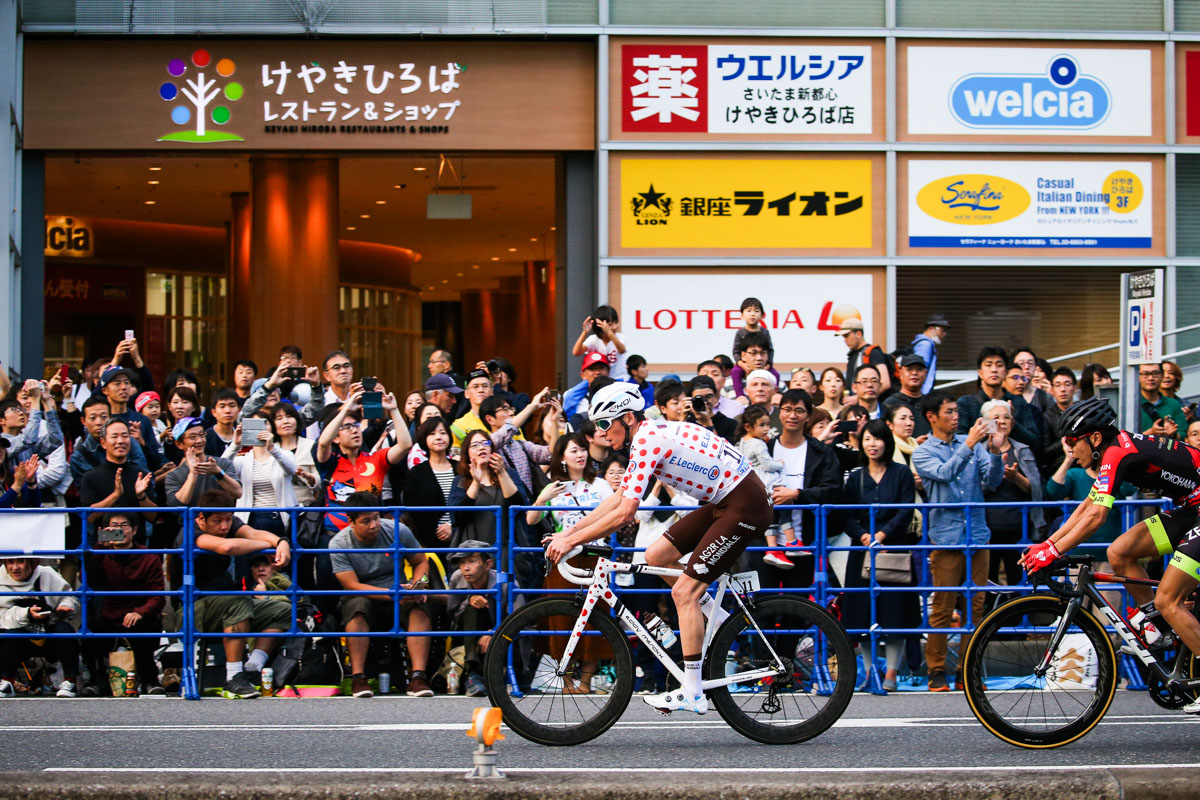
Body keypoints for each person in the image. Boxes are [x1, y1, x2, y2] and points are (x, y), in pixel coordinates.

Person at [545, 383, 773, 715]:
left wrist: (571, 541)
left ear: (627, 418)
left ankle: (693, 691)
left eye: (606, 424)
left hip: (744, 504)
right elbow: (616, 499)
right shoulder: (645, 437)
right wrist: (570, 532)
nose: (603, 434)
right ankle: (719, 618)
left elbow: (625, 513)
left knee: (684, 594)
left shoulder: (648, 440)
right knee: (656, 555)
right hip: (727, 501)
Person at [1022, 399, 1200, 715]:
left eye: (1072, 442)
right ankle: (1158, 626)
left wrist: (1053, 551)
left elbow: (1097, 518)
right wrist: (1047, 544)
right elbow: (1086, 507)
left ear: (1093, 439)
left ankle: (1161, 614)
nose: (1069, 450)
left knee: (1168, 600)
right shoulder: (1112, 450)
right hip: (1191, 508)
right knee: (1118, 552)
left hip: (1195, 510)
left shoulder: (1117, 452)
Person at [912, 391, 1002, 692]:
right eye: (949, 411)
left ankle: (969, 670)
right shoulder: (923, 452)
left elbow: (991, 481)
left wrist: (997, 451)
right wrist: (971, 444)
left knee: (976, 607)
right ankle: (936, 671)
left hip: (977, 534)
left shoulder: (972, 444)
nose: (956, 416)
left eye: (956, 411)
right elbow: (945, 474)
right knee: (942, 607)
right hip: (947, 537)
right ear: (932, 417)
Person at [185, 490, 292, 699]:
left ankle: (253, 666)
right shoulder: (189, 530)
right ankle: (233, 676)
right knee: (238, 600)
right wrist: (268, 546)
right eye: (217, 521)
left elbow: (253, 533)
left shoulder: (230, 522)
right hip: (193, 607)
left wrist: (280, 542)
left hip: (230, 604)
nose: (225, 526)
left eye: (228, 519)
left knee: (284, 610)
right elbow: (227, 547)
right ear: (201, 518)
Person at [330, 492, 435, 698]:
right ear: (350, 522)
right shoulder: (338, 544)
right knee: (357, 607)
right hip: (364, 595)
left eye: (376, 517)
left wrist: (419, 586)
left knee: (419, 606)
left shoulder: (398, 530)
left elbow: (421, 561)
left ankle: (418, 677)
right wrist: (392, 594)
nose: (374, 525)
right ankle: (358, 678)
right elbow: (351, 585)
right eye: (366, 521)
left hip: (399, 592)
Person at [839, 419, 918, 692]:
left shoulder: (901, 473)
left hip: (893, 547)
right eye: (867, 439)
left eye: (878, 438)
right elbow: (846, 513)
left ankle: (892, 674)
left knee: (895, 613)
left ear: (887, 441)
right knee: (862, 614)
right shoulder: (856, 476)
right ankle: (871, 673)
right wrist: (864, 536)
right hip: (862, 552)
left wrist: (881, 536)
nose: (873, 444)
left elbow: (905, 510)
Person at [84, 511, 166, 695]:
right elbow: (88, 579)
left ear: (135, 530)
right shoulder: (99, 553)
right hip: (107, 612)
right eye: (113, 527)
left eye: (123, 526)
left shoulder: (149, 556)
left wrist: (140, 612)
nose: (118, 531)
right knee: (88, 628)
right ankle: (97, 681)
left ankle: (149, 681)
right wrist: (99, 548)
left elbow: (158, 595)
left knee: (143, 628)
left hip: (138, 613)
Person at [315, 386, 410, 533]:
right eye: (347, 427)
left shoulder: (376, 459)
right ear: (335, 438)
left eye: (356, 425)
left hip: (371, 534)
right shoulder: (330, 462)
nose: (354, 430)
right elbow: (322, 443)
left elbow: (405, 445)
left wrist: (394, 410)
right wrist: (346, 409)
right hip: (334, 534)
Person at [980, 399, 1043, 591]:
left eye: (1006, 417)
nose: (1002, 421)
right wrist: (996, 468)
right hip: (987, 526)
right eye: (995, 417)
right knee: (988, 579)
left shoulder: (1022, 449)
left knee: (1018, 576)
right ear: (986, 423)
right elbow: (978, 487)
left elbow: (1035, 489)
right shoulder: (979, 450)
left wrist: (1016, 478)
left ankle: (1017, 618)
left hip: (1019, 525)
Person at [0, 557, 81, 697]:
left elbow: (70, 597)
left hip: (48, 633)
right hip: (17, 639)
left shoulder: (46, 574)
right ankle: (6, 681)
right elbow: (2, 618)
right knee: (9, 634)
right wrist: (27, 614)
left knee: (64, 629)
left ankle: (70, 682)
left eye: (20, 562)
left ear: (33, 563)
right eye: (10, 562)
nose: (15, 568)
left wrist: (65, 606)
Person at [222, 413, 298, 538]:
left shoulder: (284, 454)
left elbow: (291, 469)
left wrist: (272, 448)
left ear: (272, 428)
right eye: (253, 425)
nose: (259, 428)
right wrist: (235, 444)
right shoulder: (243, 460)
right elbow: (222, 468)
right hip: (250, 519)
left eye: (264, 423)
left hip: (279, 518)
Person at [446, 540, 507, 697]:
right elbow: (451, 614)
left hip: (500, 633)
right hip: (467, 634)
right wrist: (469, 599)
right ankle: (472, 673)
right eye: (462, 562)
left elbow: (518, 616)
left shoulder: (504, 582)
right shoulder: (457, 578)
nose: (466, 568)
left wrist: (493, 632)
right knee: (471, 608)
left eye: (472, 561)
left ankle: (498, 674)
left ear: (487, 564)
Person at [737, 406, 795, 569]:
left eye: (767, 424)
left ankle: (772, 549)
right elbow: (767, 465)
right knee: (785, 503)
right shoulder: (758, 444)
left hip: (751, 484)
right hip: (766, 481)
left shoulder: (743, 442)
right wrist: (780, 464)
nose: (766, 429)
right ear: (749, 426)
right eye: (762, 425)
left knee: (770, 515)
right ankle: (791, 542)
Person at [447, 429, 526, 546]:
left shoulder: (509, 474)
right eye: (475, 445)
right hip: (473, 548)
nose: (481, 447)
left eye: (486, 443)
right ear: (467, 453)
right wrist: (476, 482)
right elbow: (458, 517)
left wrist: (501, 473)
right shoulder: (461, 481)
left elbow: (519, 507)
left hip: (505, 546)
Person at [78, 419, 158, 531]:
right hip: (105, 541)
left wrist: (141, 497)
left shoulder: (141, 475)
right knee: (113, 542)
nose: (120, 441)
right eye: (114, 436)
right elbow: (88, 517)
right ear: (103, 443)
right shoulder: (91, 477)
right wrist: (115, 495)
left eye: (125, 436)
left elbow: (154, 517)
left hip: (136, 543)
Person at [955, 347, 1040, 448]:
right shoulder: (965, 403)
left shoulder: (1019, 403)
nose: (994, 370)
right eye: (988, 365)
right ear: (980, 373)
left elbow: (1035, 443)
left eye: (999, 365)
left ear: (1005, 372)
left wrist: (1012, 423)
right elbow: (957, 441)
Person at [401, 417, 459, 548]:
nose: (438, 437)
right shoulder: (417, 473)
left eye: (443, 433)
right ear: (424, 439)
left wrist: (452, 526)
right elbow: (413, 510)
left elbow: (468, 502)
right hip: (429, 540)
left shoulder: (460, 469)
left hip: (461, 536)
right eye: (432, 434)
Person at [164, 417, 243, 507]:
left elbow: (237, 493)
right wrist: (193, 474)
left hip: (221, 518)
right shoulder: (174, 475)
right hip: (191, 520)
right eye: (193, 437)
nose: (199, 441)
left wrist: (218, 473)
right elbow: (176, 505)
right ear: (179, 444)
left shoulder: (223, 464)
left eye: (202, 435)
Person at [572, 304, 627, 380]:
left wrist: (609, 333)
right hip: (597, 380)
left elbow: (622, 350)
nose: (615, 327)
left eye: (616, 322)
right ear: (599, 326)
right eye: (610, 324)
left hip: (617, 379)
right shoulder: (593, 339)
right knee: (573, 392)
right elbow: (576, 352)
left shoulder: (620, 337)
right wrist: (584, 332)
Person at [839, 318, 892, 395]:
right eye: (843, 337)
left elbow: (885, 383)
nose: (845, 340)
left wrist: (857, 398)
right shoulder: (853, 354)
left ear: (859, 334)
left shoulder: (873, 352)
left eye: (847, 336)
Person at [883, 354, 931, 438]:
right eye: (909, 370)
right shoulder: (890, 404)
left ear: (926, 374)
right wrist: (913, 444)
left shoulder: (931, 404)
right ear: (900, 373)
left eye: (919, 370)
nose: (914, 373)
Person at [1138, 362, 1186, 439]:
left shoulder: (1174, 404)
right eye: (1145, 374)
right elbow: (1122, 437)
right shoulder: (1131, 405)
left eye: (1155, 373)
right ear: (1138, 376)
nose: (1150, 378)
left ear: (1162, 375)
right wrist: (1150, 433)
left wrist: (1172, 435)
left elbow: (1184, 434)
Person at [729, 331, 780, 401]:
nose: (759, 358)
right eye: (753, 353)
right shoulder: (728, 384)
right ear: (743, 355)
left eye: (763, 353)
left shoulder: (779, 384)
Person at [685, 375, 737, 443]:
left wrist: (708, 423)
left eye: (708, 397)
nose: (705, 402)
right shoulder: (686, 423)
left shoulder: (730, 425)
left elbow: (724, 451)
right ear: (690, 400)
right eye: (699, 398)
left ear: (716, 398)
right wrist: (681, 420)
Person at [910, 314, 949, 394]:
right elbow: (920, 371)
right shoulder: (925, 345)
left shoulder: (923, 343)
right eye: (942, 330)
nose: (944, 334)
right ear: (931, 329)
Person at [731, 297, 774, 366]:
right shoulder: (740, 333)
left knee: (775, 374)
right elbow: (736, 351)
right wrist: (741, 364)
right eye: (749, 311)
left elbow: (770, 350)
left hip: (762, 365)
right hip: (744, 364)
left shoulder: (764, 332)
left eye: (756, 311)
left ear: (762, 316)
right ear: (742, 315)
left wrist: (768, 364)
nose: (752, 314)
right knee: (736, 372)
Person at [1011, 347, 1052, 415]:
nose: (1027, 367)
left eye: (1030, 363)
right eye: (1021, 363)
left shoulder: (1045, 398)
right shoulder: (1005, 395)